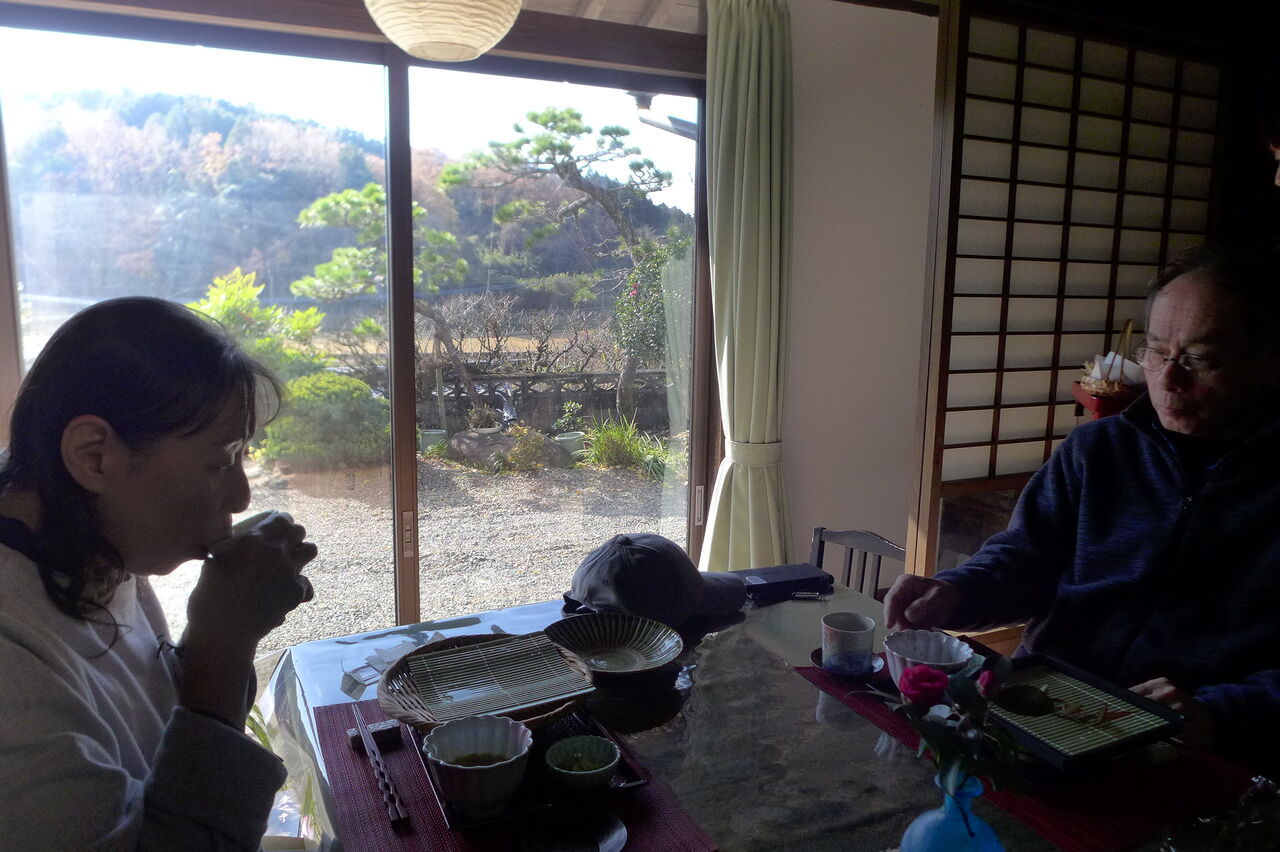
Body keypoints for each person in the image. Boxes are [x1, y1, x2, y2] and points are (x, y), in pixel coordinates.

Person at [885, 246, 1280, 773]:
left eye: (1200, 359)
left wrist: (1216, 715)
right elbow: (1026, 558)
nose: (1168, 379)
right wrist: (957, 592)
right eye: (1156, 351)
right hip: (1041, 704)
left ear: (1268, 359)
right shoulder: (1099, 450)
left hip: (1184, 747)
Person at [0, 297, 318, 850]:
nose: (241, 496)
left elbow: (164, 720)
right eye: (219, 461)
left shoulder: (92, 545)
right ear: (95, 456)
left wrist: (226, 624)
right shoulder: (11, 655)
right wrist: (225, 640)